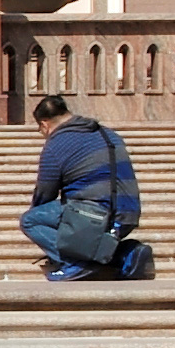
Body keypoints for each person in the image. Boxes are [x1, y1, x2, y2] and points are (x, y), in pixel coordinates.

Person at [24, 105, 151, 280]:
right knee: (86, 228)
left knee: (31, 220)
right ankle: (126, 254)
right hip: (127, 214)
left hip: (92, 214)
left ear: (45, 125)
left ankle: (74, 263)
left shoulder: (57, 143)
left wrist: (38, 212)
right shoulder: (108, 134)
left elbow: (45, 192)